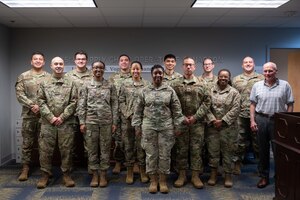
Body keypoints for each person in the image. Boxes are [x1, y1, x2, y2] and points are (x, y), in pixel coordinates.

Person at [132, 64, 186, 194]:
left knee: (165, 155)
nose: (158, 75)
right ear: (152, 74)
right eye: (155, 73)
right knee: (151, 155)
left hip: (166, 127)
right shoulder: (144, 91)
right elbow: (138, 110)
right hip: (149, 127)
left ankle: (162, 181)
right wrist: (137, 126)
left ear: (163, 75)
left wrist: (178, 126)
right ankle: (153, 181)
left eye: (160, 73)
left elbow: (177, 110)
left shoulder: (169, 90)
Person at [250, 62, 294, 188]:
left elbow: (290, 104)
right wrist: (252, 121)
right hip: (261, 119)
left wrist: (287, 121)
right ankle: (264, 177)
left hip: (278, 121)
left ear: (276, 71)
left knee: (278, 151)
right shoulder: (257, 85)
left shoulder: (285, 85)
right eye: (265, 71)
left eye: (270, 71)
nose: (267, 73)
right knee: (262, 150)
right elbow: (252, 104)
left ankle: (280, 176)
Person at [36, 57, 77, 189]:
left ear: (64, 66)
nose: (58, 66)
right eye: (56, 64)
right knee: (45, 150)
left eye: (61, 64)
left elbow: (74, 102)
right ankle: (45, 175)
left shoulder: (71, 83)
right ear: (51, 66)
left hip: (66, 123)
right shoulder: (44, 82)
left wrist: (62, 117)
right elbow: (41, 101)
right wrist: (51, 117)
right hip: (48, 123)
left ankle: (66, 174)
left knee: (67, 150)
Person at [171, 57, 211, 189]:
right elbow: (172, 103)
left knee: (196, 149)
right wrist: (181, 117)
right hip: (181, 123)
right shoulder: (175, 84)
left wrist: (196, 116)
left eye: (191, 65)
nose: (188, 67)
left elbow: (207, 102)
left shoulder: (202, 83)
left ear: (194, 67)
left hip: (197, 123)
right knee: (181, 150)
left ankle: (195, 176)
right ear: (182, 67)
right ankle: (181, 175)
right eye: (186, 65)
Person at [77, 61, 118, 187]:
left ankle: (103, 174)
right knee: (92, 149)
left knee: (105, 149)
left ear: (104, 69)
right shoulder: (86, 85)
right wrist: (82, 122)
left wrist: (114, 122)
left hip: (106, 122)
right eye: (95, 67)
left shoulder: (110, 85)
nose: (98, 70)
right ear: (92, 69)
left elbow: (114, 105)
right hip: (91, 122)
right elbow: (81, 104)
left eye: (100, 67)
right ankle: (95, 174)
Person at [15, 52, 50, 181]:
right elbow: (19, 94)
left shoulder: (49, 77)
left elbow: (52, 96)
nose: (38, 61)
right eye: (35, 59)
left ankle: (45, 169)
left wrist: (40, 107)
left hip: (44, 116)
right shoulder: (23, 76)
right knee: (27, 143)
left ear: (44, 62)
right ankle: (25, 168)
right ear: (31, 61)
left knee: (44, 144)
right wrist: (31, 105)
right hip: (29, 115)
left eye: (40, 59)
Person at [206, 69, 240, 188]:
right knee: (213, 151)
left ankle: (228, 175)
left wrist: (223, 120)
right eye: (221, 76)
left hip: (228, 128)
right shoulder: (210, 91)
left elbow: (236, 109)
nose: (223, 78)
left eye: (226, 76)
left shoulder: (234, 92)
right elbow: (206, 106)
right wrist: (213, 119)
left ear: (229, 78)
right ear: (218, 77)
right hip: (213, 127)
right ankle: (213, 174)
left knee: (228, 152)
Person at [119, 61, 150, 184]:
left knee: (141, 146)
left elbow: (149, 103)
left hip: (142, 121)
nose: (135, 71)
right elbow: (121, 101)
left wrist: (141, 117)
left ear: (141, 70)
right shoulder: (124, 84)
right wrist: (128, 114)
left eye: (138, 69)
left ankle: (143, 170)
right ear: (130, 70)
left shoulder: (147, 85)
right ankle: (130, 171)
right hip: (127, 121)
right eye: (133, 69)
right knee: (128, 146)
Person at [232, 56, 264, 175]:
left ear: (254, 64)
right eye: (246, 62)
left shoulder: (261, 78)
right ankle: (237, 163)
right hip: (240, 114)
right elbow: (232, 96)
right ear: (242, 65)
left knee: (258, 141)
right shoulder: (236, 79)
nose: (248, 64)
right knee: (239, 140)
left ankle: (262, 166)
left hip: (257, 114)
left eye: (250, 62)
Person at [65, 51, 92, 171]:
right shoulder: (68, 76)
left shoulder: (93, 75)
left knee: (89, 141)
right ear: (75, 61)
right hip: (71, 113)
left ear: (86, 61)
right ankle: (69, 165)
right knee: (70, 140)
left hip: (88, 113)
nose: (81, 61)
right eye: (78, 59)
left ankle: (91, 166)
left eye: (83, 59)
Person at [109, 54, 132, 174]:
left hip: (129, 114)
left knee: (130, 139)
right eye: (121, 60)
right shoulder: (113, 78)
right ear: (119, 63)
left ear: (129, 62)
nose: (124, 62)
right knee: (118, 139)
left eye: (126, 60)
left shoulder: (134, 76)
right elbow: (110, 96)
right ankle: (118, 162)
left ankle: (133, 163)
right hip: (116, 113)